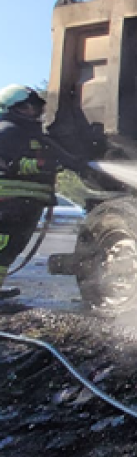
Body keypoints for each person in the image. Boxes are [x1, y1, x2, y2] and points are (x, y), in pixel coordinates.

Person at [0, 86, 63, 300]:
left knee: (10, 250)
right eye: (26, 107)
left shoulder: (32, 134)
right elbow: (7, 163)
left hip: (28, 203)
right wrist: (40, 164)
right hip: (7, 202)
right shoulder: (7, 130)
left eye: (35, 107)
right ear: (11, 108)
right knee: (3, 247)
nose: (33, 111)